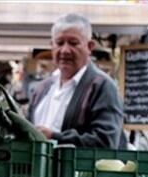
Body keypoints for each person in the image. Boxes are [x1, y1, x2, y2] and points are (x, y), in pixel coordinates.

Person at [28, 13, 124, 148]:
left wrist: (54, 137)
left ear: (90, 47)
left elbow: (105, 142)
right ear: (52, 46)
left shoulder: (102, 87)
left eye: (73, 43)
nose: (65, 50)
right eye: (59, 43)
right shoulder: (41, 90)